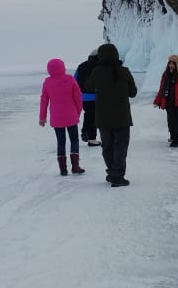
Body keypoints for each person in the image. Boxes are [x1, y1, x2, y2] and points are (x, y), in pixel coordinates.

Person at [87, 43, 137, 187]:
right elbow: (133, 93)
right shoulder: (124, 71)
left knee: (107, 146)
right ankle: (118, 176)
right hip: (122, 116)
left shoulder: (97, 72)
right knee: (120, 147)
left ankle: (112, 173)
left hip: (103, 117)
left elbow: (88, 86)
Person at [39, 58, 85, 175]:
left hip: (56, 117)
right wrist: (77, 112)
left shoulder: (47, 82)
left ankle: (63, 169)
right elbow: (78, 97)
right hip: (71, 116)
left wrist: (42, 117)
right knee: (74, 140)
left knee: (61, 142)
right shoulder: (70, 79)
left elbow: (44, 100)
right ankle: (75, 166)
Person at [153, 54, 178, 147]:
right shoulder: (166, 75)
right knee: (171, 121)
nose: (171, 65)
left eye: (173, 63)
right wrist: (157, 101)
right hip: (169, 102)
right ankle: (174, 138)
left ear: (177, 64)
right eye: (169, 63)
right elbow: (162, 89)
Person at [74, 51, 101, 146]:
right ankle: (91, 137)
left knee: (89, 114)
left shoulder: (81, 66)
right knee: (94, 116)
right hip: (97, 96)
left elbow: (75, 80)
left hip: (83, 96)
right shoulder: (100, 66)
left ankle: (85, 132)